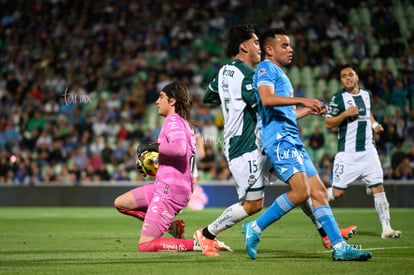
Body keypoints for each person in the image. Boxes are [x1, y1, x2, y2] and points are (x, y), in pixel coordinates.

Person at [194, 24, 355, 257]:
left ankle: (328, 234)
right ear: (243, 46)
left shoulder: (223, 72)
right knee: (253, 205)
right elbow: (266, 102)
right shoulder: (251, 76)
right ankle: (207, 234)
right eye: (256, 42)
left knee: (301, 187)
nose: (259, 47)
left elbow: (210, 95)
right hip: (246, 145)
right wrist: (301, 103)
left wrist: (233, 102)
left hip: (258, 142)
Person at [242, 28, 372, 261]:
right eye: (285, 45)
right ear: (269, 49)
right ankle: (256, 227)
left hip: (291, 137)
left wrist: (308, 110)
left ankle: (339, 247)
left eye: (290, 45)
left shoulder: (280, 73)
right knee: (301, 192)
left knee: (319, 192)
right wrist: (302, 98)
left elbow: (286, 112)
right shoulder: (266, 68)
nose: (291, 49)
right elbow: (266, 99)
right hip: (279, 139)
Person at [113, 81, 231, 252]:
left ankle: (200, 244)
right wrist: (157, 167)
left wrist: (151, 146)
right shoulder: (185, 123)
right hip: (170, 185)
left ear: (172, 101)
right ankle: (172, 227)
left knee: (145, 245)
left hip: (170, 190)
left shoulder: (173, 120)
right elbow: (179, 158)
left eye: (161, 97)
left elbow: (178, 149)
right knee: (121, 203)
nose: (156, 101)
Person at [325, 64, 402, 239]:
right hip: (348, 154)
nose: (347, 78)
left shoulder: (366, 95)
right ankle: (313, 201)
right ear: (341, 80)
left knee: (378, 187)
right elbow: (328, 123)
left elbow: (367, 113)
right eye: (343, 76)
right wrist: (345, 114)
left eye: (350, 75)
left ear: (357, 77)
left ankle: (386, 228)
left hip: (368, 152)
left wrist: (374, 124)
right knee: (337, 193)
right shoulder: (338, 98)